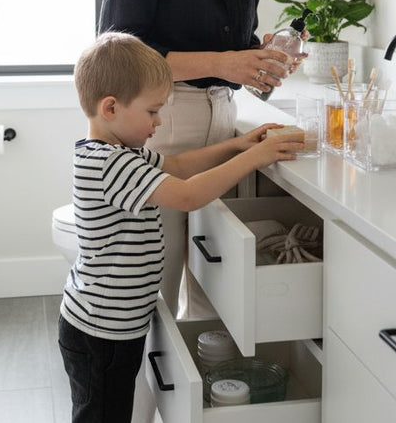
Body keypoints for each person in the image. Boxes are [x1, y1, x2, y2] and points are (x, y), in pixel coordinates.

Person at [98, 0, 301, 318]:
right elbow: (120, 60)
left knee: (214, 293)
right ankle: (133, 399)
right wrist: (226, 62)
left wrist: (261, 53)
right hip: (159, 123)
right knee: (153, 296)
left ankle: (193, 398)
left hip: (221, 116)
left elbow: (231, 44)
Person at [58, 32, 301, 423]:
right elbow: (187, 195)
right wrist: (255, 157)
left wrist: (236, 147)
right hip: (102, 332)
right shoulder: (111, 164)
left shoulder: (121, 151)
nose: (158, 122)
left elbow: (180, 165)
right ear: (111, 108)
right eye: (153, 111)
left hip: (111, 324)